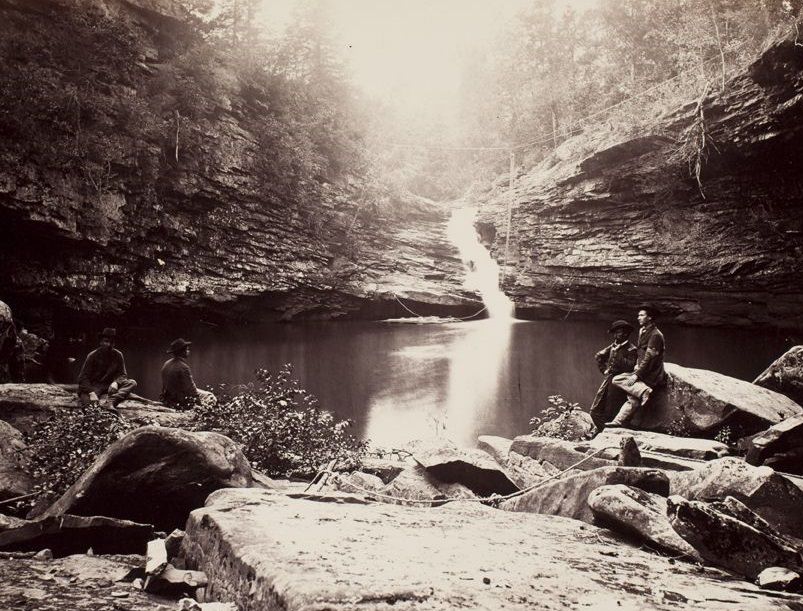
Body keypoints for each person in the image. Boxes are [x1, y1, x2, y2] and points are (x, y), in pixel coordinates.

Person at [607, 307, 666, 428]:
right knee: (631, 396)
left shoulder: (656, 335)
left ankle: (644, 391)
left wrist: (636, 375)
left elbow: (650, 358)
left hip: (652, 372)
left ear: (650, 317)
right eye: (638, 315)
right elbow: (641, 352)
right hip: (643, 368)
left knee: (618, 380)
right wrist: (636, 365)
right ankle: (618, 421)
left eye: (642, 315)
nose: (638, 317)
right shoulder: (642, 330)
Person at [589, 320, 637, 432]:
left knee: (611, 411)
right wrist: (604, 370)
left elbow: (630, 366)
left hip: (621, 382)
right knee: (594, 411)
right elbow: (599, 356)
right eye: (615, 332)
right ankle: (603, 431)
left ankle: (607, 434)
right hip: (609, 379)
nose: (615, 335)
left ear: (626, 334)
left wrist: (617, 353)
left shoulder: (631, 349)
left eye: (619, 332)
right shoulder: (613, 346)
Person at [77, 328, 137, 408]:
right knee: (89, 405)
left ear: (114, 344)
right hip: (95, 385)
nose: (108, 345)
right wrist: (91, 392)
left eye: (111, 342)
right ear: (101, 342)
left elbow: (123, 374)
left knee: (132, 383)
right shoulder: (92, 355)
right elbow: (82, 378)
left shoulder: (118, 355)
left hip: (110, 386)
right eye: (106, 341)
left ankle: (112, 401)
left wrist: (116, 382)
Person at [161, 338, 217, 410]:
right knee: (210, 396)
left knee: (203, 394)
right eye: (187, 350)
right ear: (182, 352)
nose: (188, 351)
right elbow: (191, 389)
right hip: (179, 399)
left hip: (168, 397)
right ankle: (204, 413)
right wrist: (198, 403)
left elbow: (165, 386)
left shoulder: (166, 363)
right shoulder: (183, 367)